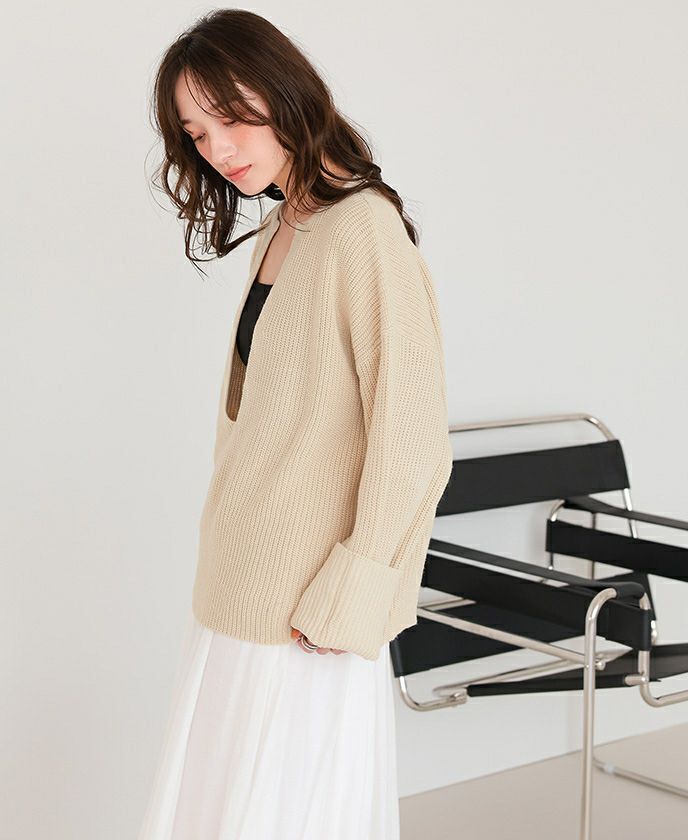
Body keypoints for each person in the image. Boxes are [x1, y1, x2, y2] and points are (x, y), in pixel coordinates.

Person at [139, 9, 453, 840]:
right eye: (196, 134)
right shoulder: (280, 230)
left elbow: (413, 437)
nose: (218, 149)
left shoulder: (363, 231)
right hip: (239, 587)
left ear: (285, 93)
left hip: (309, 612)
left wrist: (357, 585)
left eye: (232, 118)